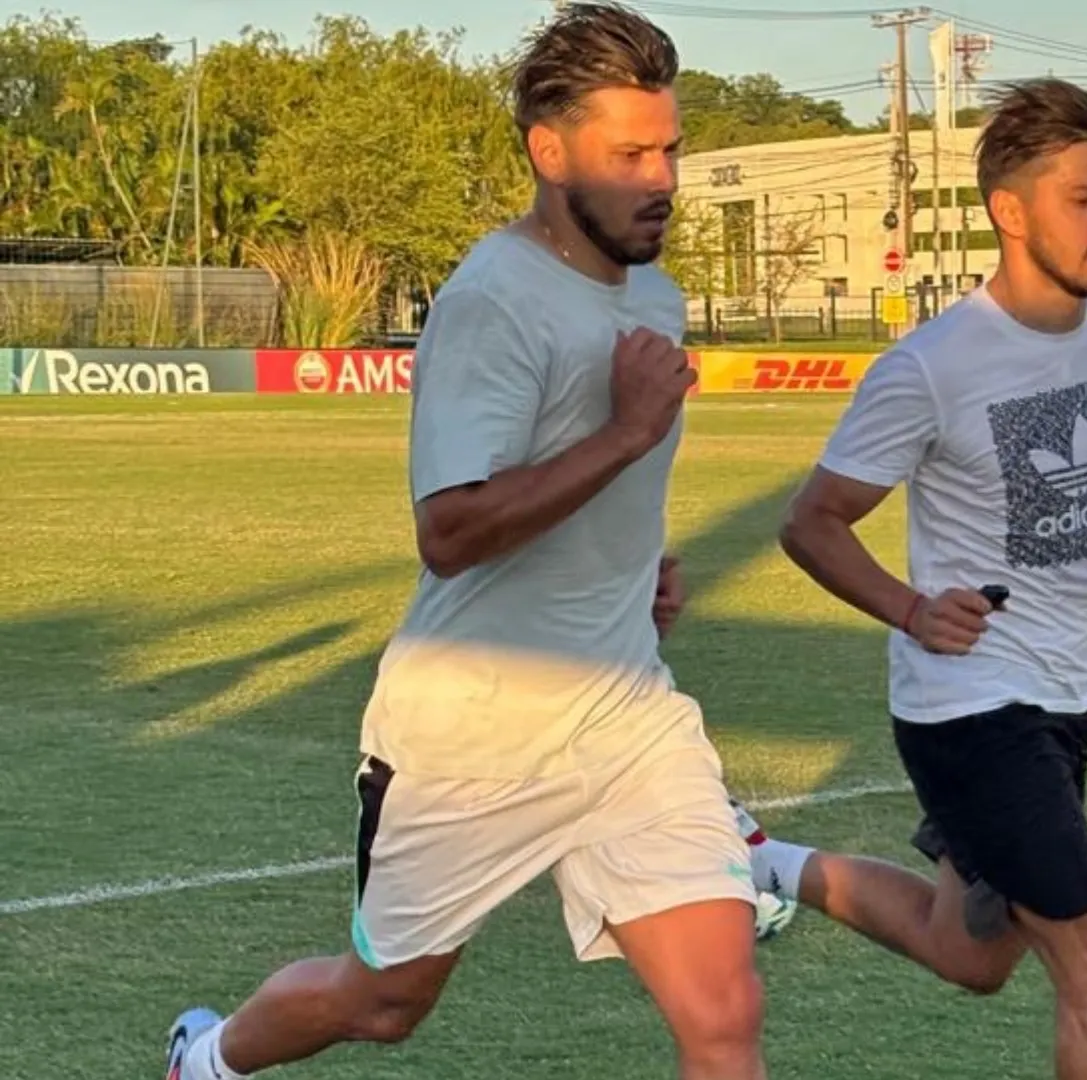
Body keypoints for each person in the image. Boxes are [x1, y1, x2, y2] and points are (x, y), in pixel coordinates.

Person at [166, 6, 768, 1079]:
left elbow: (594, 493)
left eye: (669, 148)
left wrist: (632, 568)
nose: (663, 177)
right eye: (630, 153)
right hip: (473, 732)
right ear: (550, 151)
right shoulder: (492, 300)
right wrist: (630, 433)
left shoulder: (657, 298)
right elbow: (449, 532)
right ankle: (205, 1061)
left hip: (625, 711)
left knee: (722, 1015)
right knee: (384, 1002)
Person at [741, 78, 1087, 1080]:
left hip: (1067, 696)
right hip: (968, 707)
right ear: (1010, 212)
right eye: (1084, 197)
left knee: (972, 956)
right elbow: (810, 522)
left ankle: (766, 862)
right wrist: (906, 607)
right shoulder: (931, 367)